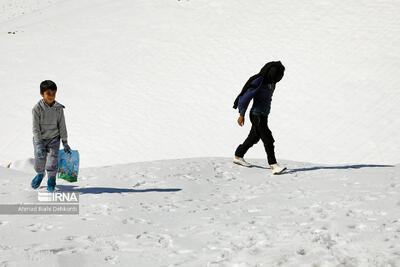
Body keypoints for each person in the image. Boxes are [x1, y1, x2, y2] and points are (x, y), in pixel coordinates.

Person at [233, 61, 287, 175]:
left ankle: (238, 155)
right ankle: (273, 165)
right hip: (256, 115)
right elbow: (245, 97)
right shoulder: (259, 81)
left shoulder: (272, 82)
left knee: (253, 138)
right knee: (268, 139)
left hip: (264, 115)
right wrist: (241, 114)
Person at [31, 80, 72, 192]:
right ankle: (40, 174)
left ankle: (51, 179)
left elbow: (62, 125)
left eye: (53, 93)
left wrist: (65, 141)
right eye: (48, 93)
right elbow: (35, 128)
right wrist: (39, 143)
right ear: (41, 94)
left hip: (54, 138)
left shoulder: (58, 109)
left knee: (52, 160)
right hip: (40, 139)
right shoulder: (37, 109)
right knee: (40, 159)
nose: (51, 96)